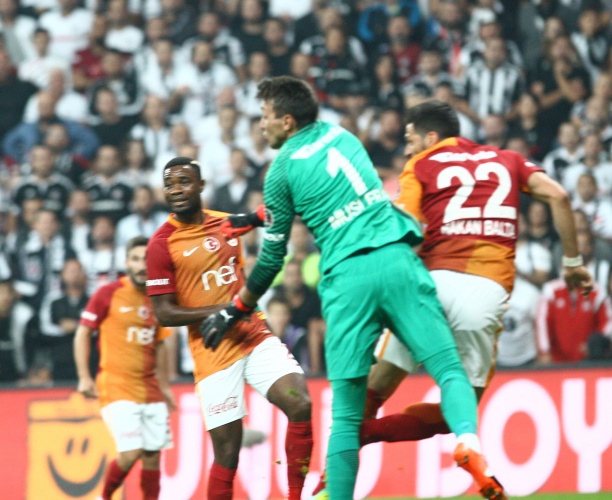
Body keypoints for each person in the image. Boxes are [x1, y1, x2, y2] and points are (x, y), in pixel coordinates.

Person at [203, 76, 501, 499]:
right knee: (450, 370)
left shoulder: (280, 169)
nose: (261, 124)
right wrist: (255, 216)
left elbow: (271, 259)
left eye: (265, 116)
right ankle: (468, 440)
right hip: (396, 260)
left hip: (347, 280)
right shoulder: (342, 136)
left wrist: (236, 308)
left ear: (286, 121)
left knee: (345, 417)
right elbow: (329, 188)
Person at [319, 99, 594, 495]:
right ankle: (451, 443)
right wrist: (572, 263)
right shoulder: (509, 159)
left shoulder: (420, 166)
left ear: (431, 137)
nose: (407, 149)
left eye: (411, 140)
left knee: (374, 389)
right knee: (459, 406)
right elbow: (560, 197)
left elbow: (402, 227)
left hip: (430, 287)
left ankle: (339, 462)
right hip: (485, 289)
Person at [145, 156, 313, 500]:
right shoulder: (161, 244)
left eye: (184, 182)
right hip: (213, 352)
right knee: (227, 454)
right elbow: (163, 313)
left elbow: (261, 223)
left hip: (253, 335)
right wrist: (224, 310)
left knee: (301, 404)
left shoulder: (226, 223)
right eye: (169, 184)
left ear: (201, 185)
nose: (176, 190)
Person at [74, 236, 176, 500]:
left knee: (152, 455)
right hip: (116, 384)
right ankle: (104, 497)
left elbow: (161, 344)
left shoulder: (159, 299)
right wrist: (84, 377)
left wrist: (165, 386)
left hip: (150, 388)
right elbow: (83, 333)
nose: (142, 266)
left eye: (146, 260)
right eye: (136, 259)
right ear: (126, 263)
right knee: (131, 453)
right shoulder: (108, 293)